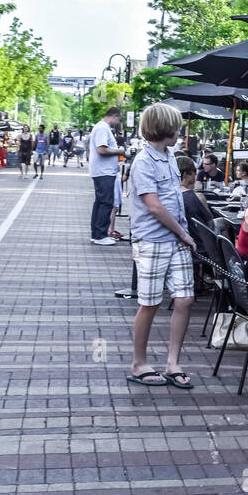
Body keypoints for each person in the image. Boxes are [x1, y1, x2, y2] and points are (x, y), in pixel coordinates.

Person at [126, 102, 197, 390]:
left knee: (185, 298)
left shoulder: (169, 156)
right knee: (150, 303)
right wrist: (183, 233)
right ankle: (139, 363)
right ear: (165, 128)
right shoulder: (143, 162)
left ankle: (172, 362)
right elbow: (154, 206)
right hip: (154, 239)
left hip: (176, 237)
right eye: (176, 127)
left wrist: (182, 233)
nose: (179, 132)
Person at [89, 107, 124, 245]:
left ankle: (97, 233)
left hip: (102, 170)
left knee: (100, 202)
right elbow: (102, 149)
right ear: (115, 116)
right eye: (118, 119)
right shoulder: (103, 128)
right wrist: (119, 151)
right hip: (104, 171)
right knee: (106, 202)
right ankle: (100, 235)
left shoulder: (100, 127)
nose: (118, 122)